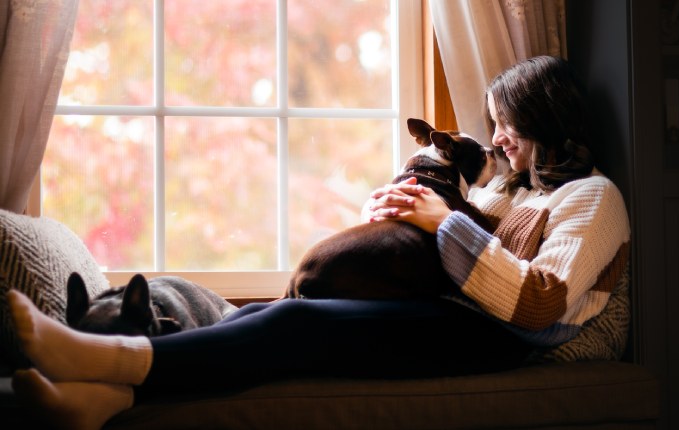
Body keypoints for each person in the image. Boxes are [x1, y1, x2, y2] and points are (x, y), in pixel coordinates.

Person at [8, 55, 630, 430]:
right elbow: (422, 240)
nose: (495, 139)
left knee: (295, 327)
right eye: (493, 124)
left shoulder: (594, 199)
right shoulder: (510, 189)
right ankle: (106, 402)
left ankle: (105, 358)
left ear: (542, 114)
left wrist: (442, 222)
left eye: (505, 123)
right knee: (265, 314)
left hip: (498, 337)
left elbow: (543, 302)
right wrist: (387, 212)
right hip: (449, 308)